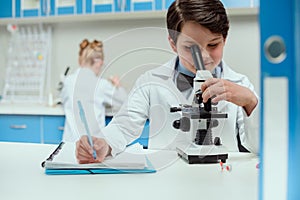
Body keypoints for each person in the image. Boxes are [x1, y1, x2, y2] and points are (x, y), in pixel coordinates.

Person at [76, 0, 259, 164]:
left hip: (222, 179)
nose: (203, 57)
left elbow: (260, 148)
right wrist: (103, 144)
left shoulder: (241, 83)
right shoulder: (151, 82)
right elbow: (123, 127)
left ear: (224, 40)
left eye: (213, 45)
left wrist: (250, 103)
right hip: (167, 181)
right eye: (190, 48)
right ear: (173, 43)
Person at [61, 39, 127, 142]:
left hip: (69, 144)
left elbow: (64, 100)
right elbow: (124, 102)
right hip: (92, 148)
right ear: (99, 62)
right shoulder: (101, 85)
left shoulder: (68, 81)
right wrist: (118, 85)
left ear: (81, 60)